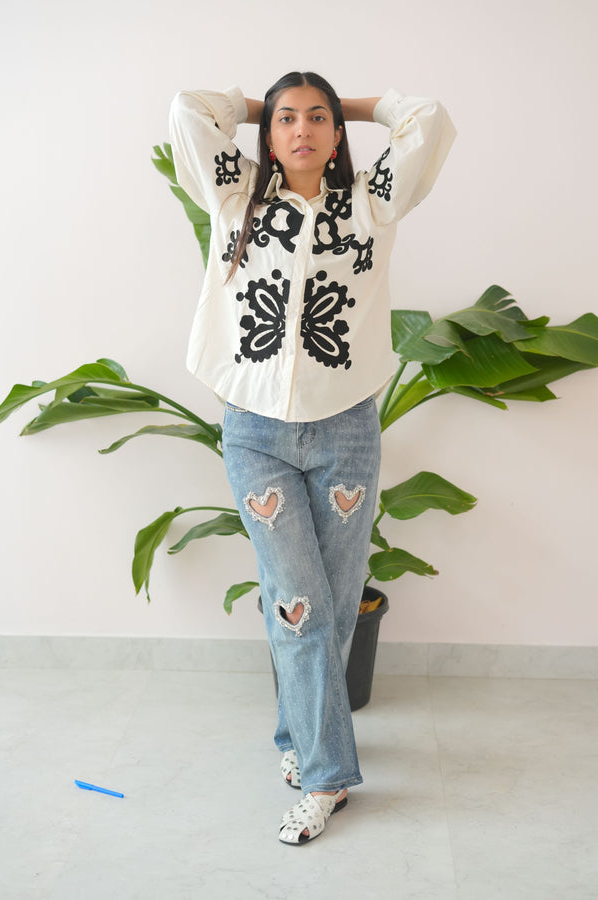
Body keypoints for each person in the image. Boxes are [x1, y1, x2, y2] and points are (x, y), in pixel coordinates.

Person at [169, 72, 455, 844]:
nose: (302, 130)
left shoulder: (371, 202)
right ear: (267, 137)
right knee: (294, 598)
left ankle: (296, 742)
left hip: (347, 431)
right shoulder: (234, 199)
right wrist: (261, 103)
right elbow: (189, 110)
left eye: (318, 119)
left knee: (324, 604)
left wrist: (355, 104)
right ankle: (329, 780)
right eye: (287, 119)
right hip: (255, 430)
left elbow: (426, 118)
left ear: (337, 137)